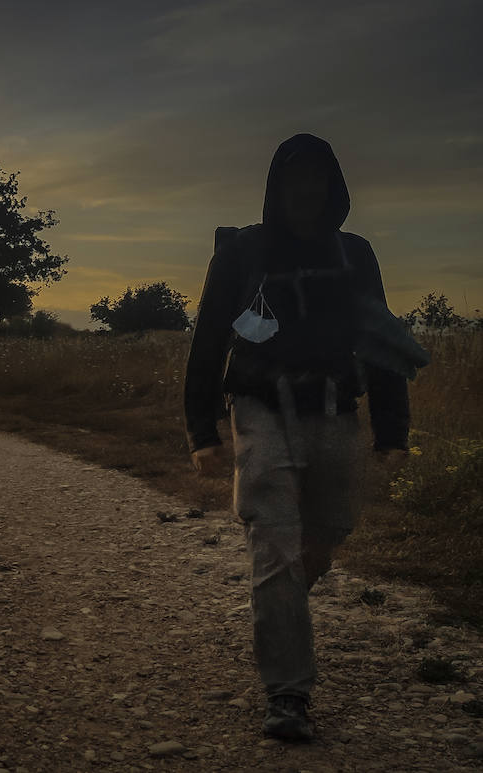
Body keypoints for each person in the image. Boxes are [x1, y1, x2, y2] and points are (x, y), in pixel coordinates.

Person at [183, 133, 411, 741]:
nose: (306, 189)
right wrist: (201, 429)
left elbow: (380, 338)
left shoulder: (355, 253)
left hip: (337, 415)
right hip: (261, 412)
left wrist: (393, 430)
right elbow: (208, 339)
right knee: (276, 550)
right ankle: (287, 694)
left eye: (317, 177)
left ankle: (277, 609)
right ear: (276, 186)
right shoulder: (242, 252)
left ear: (332, 185)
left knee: (325, 536)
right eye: (294, 178)